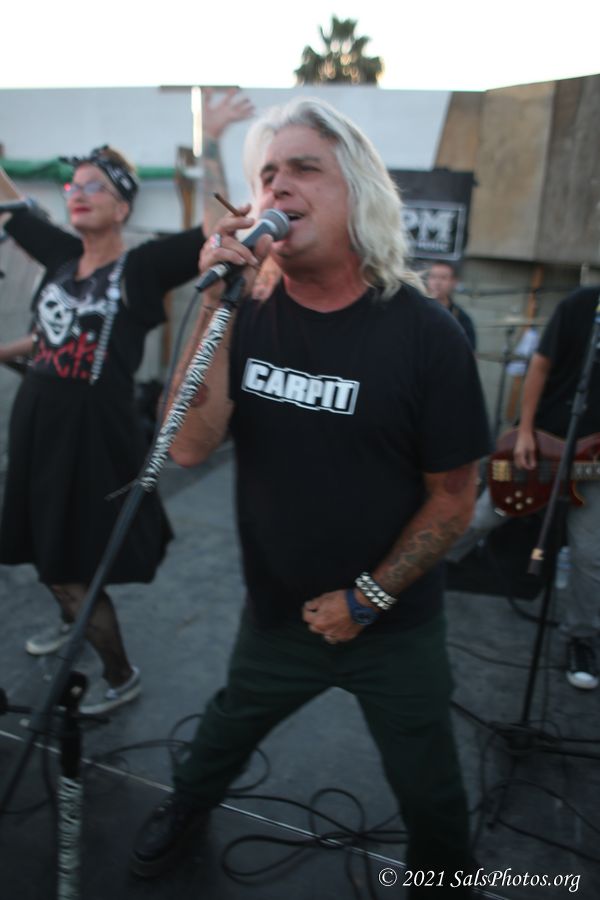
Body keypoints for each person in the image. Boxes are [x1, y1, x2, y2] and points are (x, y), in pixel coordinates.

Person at [130, 97, 491, 892]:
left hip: (392, 625)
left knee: (431, 790)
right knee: (224, 731)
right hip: (278, 614)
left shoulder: (427, 336)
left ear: (358, 190)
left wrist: (365, 599)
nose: (278, 187)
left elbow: (455, 499)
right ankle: (187, 806)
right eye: (267, 175)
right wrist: (218, 300)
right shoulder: (245, 316)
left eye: (304, 168)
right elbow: (186, 445)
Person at [0, 90, 254, 715]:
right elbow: (11, 207)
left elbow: (217, 226)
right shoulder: (62, 256)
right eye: (73, 185)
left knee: (71, 565)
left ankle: (120, 674)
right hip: (38, 426)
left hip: (93, 439)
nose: (77, 193)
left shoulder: (141, 267)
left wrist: (210, 138)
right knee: (45, 544)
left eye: (95, 186)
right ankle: (71, 618)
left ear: (122, 206)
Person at [447, 285, 600, 690]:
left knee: (590, 555)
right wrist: (527, 430)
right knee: (482, 517)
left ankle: (582, 638)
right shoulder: (580, 305)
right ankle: (417, 578)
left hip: (594, 466)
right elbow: (540, 365)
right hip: (544, 443)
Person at [425, 260, 476, 350]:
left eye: (443, 278)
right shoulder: (417, 312)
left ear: (454, 282)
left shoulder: (461, 318)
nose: (437, 282)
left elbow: (468, 351)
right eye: (433, 277)